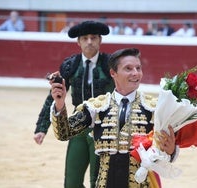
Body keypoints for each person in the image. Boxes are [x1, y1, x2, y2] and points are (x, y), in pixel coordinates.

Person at [50, 48, 179, 187]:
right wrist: (59, 103)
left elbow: (168, 151)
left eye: (138, 68)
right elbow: (64, 133)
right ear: (113, 73)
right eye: (128, 68)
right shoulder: (97, 107)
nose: (135, 73)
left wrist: (171, 151)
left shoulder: (154, 108)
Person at [34, 20, 115, 188]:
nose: (89, 42)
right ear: (78, 42)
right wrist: (42, 127)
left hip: (105, 127)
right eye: (85, 38)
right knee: (71, 182)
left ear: (100, 40)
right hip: (78, 126)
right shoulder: (70, 65)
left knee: (98, 182)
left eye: (93, 37)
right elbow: (54, 96)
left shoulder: (111, 64)